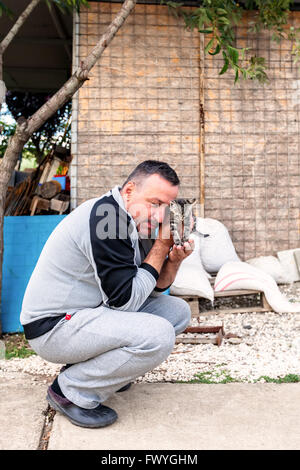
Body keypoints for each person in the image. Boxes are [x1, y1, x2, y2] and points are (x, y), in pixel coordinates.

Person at [20, 160, 194, 428]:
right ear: (129, 191)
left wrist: (173, 260)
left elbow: (154, 288)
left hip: (90, 313)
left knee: (177, 312)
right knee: (158, 335)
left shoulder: (134, 220)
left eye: (167, 207)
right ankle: (71, 390)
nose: (162, 216)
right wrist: (161, 245)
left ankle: (102, 374)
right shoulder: (107, 217)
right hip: (54, 327)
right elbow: (126, 302)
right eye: (155, 203)